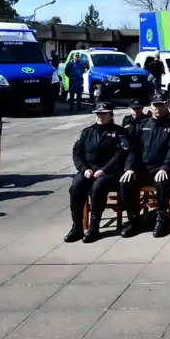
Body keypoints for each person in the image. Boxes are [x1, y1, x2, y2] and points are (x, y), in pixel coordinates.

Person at [65, 102, 129, 243]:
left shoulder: (119, 132)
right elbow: (77, 154)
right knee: (75, 187)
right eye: (98, 114)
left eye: (104, 113)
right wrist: (84, 169)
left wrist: (104, 170)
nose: (100, 116)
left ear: (111, 115)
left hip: (109, 172)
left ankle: (94, 229)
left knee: (98, 188)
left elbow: (120, 155)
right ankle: (77, 227)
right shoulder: (87, 132)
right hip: (88, 170)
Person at [118, 92, 170, 238]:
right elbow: (134, 150)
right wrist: (130, 168)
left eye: (161, 105)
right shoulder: (142, 126)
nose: (158, 108)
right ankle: (134, 220)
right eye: (155, 105)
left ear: (166, 106)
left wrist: (165, 167)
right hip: (143, 168)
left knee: (163, 181)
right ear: (150, 107)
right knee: (125, 182)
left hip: (161, 168)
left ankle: (161, 219)